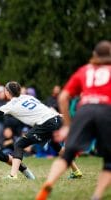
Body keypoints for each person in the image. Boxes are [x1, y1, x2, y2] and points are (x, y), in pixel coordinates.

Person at [0, 81, 81, 180]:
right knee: (55, 145)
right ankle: (76, 171)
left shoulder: (11, 105)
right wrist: (58, 114)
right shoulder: (27, 97)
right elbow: (43, 107)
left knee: (19, 144)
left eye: (5, 90)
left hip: (46, 123)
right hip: (55, 119)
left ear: (8, 92)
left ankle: (13, 175)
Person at [36, 40, 111, 200]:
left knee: (67, 155)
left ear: (94, 55)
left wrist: (67, 126)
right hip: (106, 111)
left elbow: (63, 97)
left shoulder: (85, 70)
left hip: (84, 111)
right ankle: (96, 196)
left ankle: (48, 185)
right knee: (109, 162)